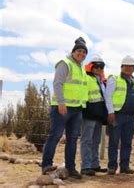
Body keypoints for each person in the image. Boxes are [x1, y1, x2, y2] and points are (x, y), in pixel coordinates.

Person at [41, 37, 88, 179]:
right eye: (79, 51)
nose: (81, 54)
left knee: (72, 139)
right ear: (73, 52)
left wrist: (82, 105)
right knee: (55, 136)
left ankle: (70, 168)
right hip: (63, 108)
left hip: (77, 109)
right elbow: (57, 84)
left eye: (84, 52)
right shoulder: (65, 63)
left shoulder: (82, 68)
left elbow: (81, 89)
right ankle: (46, 166)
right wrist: (61, 102)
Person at [105, 55, 134, 175]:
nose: (128, 68)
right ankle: (112, 166)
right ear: (121, 67)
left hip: (131, 116)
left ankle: (124, 166)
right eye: (126, 66)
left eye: (131, 66)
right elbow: (108, 96)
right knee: (114, 141)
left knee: (127, 142)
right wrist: (110, 112)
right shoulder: (114, 79)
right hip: (117, 115)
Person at [80, 55, 108, 176]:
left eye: (101, 66)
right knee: (86, 141)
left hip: (98, 115)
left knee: (96, 141)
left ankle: (94, 165)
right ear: (91, 67)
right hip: (88, 114)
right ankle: (85, 166)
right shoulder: (86, 78)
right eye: (96, 66)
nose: (98, 68)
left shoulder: (101, 81)